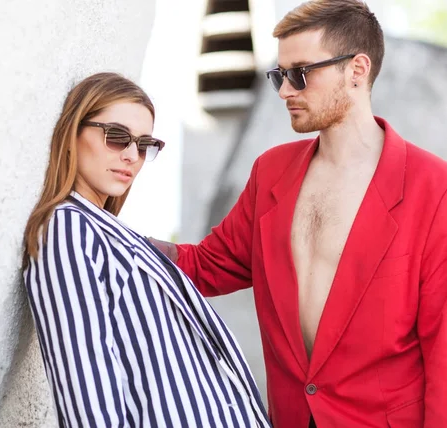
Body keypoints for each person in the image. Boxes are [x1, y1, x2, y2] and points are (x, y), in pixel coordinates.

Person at [149, 1, 447, 426]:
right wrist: (103, 233)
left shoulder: (435, 188)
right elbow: (207, 265)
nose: (286, 91)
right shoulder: (270, 173)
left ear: (356, 70)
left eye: (300, 74)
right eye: (280, 76)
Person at [21, 72, 270, 427]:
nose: (131, 156)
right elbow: (86, 392)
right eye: (116, 137)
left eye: (143, 145)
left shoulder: (113, 234)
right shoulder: (67, 229)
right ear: (73, 132)